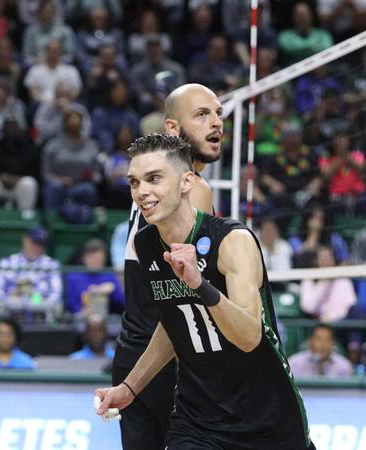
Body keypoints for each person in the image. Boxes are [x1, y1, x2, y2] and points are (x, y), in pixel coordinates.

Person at [96, 134, 314, 449]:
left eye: (154, 179)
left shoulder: (233, 240)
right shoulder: (145, 243)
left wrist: (200, 285)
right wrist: (130, 387)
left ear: (186, 182)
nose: (142, 192)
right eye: (134, 182)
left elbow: (250, 335)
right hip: (197, 418)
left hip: (266, 414)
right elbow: (174, 323)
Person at [112, 83, 223, 450]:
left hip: (132, 350)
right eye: (202, 114)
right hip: (169, 356)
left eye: (219, 113)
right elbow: (190, 295)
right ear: (172, 129)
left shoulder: (147, 181)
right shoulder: (191, 188)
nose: (216, 123)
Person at [288, 324, 354, 378]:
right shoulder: (294, 363)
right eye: (319, 339)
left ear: (333, 343)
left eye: (327, 339)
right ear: (310, 341)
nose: (323, 344)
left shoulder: (344, 366)